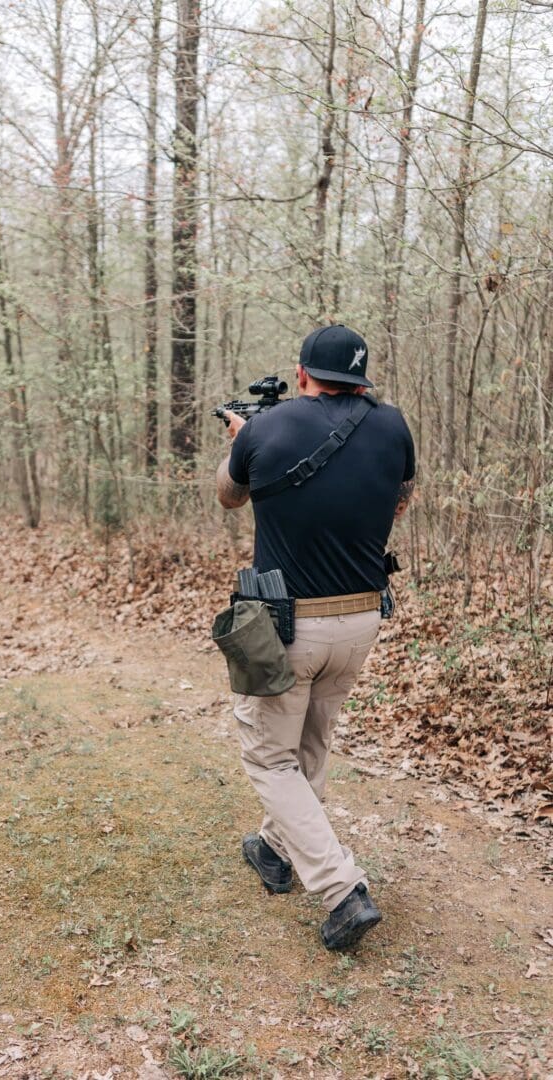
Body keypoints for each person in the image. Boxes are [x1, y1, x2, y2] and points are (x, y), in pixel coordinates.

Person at [216, 324, 415, 950]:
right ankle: (274, 851)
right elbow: (400, 498)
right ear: (361, 379)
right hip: (362, 619)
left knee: (269, 755)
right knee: (309, 740)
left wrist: (241, 442)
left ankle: (340, 888)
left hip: (287, 624)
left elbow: (228, 496)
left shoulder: (266, 430)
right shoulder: (393, 426)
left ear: (301, 375)